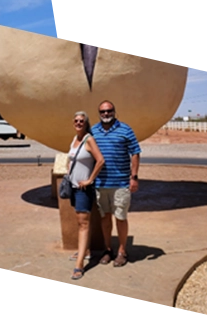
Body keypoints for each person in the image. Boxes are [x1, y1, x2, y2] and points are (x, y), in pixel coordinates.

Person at [91, 100, 141, 267]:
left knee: (120, 217)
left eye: (109, 111)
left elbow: (135, 152)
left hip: (120, 183)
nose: (106, 114)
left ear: (114, 111)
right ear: (99, 113)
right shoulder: (94, 131)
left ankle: (122, 251)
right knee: (105, 218)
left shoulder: (125, 129)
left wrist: (133, 177)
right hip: (100, 183)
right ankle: (107, 249)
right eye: (103, 112)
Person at [67, 111, 105, 280]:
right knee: (79, 221)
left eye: (82, 121)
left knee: (83, 224)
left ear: (86, 123)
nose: (78, 123)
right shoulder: (75, 139)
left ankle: (80, 264)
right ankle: (86, 251)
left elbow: (100, 160)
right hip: (73, 187)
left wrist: (90, 179)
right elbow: (71, 159)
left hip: (83, 190)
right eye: (76, 120)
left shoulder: (89, 139)